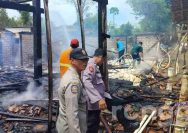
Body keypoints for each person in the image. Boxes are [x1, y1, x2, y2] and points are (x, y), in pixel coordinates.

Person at [56, 48, 89, 133]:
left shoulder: (74, 75)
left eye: (86, 59)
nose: (85, 62)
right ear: (72, 61)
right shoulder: (73, 82)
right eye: (81, 60)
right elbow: (72, 114)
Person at [82, 48, 107, 133]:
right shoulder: (91, 65)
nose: (103, 62)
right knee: (91, 126)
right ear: (100, 57)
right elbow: (86, 82)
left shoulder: (94, 65)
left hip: (95, 103)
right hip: (92, 103)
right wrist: (98, 98)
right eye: (103, 59)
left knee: (94, 124)